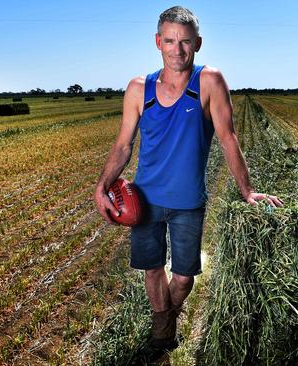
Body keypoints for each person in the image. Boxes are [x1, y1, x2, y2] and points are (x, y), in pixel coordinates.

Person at [93, 6, 283, 351]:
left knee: (182, 277)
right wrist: (101, 186)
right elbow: (123, 146)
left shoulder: (209, 81)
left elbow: (228, 138)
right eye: (169, 40)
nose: (177, 49)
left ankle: (166, 319)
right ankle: (162, 335)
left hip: (188, 203)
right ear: (157, 42)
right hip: (144, 201)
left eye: (184, 41)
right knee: (152, 270)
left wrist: (248, 191)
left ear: (197, 43)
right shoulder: (139, 88)